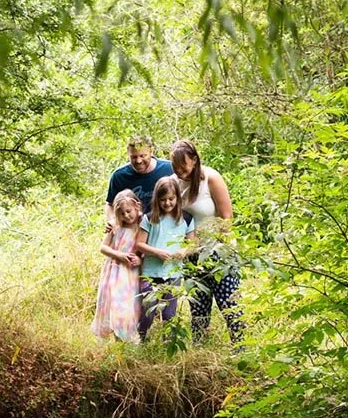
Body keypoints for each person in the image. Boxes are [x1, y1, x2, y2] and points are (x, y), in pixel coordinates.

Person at [170, 138, 244, 345]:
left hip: (220, 252)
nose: (179, 171)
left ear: (194, 160)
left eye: (183, 166)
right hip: (191, 254)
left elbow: (226, 218)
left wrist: (215, 249)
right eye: (175, 167)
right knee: (198, 308)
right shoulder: (173, 182)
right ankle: (200, 351)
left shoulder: (211, 178)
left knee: (230, 305)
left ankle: (241, 350)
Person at [135, 176, 196, 341]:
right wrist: (157, 252)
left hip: (173, 272)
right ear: (157, 199)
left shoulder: (186, 219)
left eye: (171, 199)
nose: (168, 203)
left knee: (169, 314)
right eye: (163, 200)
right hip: (151, 272)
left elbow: (192, 244)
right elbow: (139, 244)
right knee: (148, 311)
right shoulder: (150, 218)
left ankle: (168, 342)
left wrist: (183, 252)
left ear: (177, 197)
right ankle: (141, 339)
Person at [90, 189, 142, 342]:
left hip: (131, 275)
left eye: (129, 211)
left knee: (128, 307)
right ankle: (117, 341)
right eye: (122, 213)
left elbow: (145, 249)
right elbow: (103, 247)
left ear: (137, 207)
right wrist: (119, 255)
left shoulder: (143, 225)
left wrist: (139, 259)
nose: (126, 216)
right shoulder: (115, 226)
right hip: (114, 272)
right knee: (114, 305)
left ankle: (129, 340)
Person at [105, 135, 173, 221]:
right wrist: (113, 221)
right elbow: (110, 204)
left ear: (151, 152)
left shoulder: (169, 169)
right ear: (128, 155)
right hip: (134, 227)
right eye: (133, 157)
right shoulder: (119, 176)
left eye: (142, 156)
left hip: (164, 225)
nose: (138, 161)